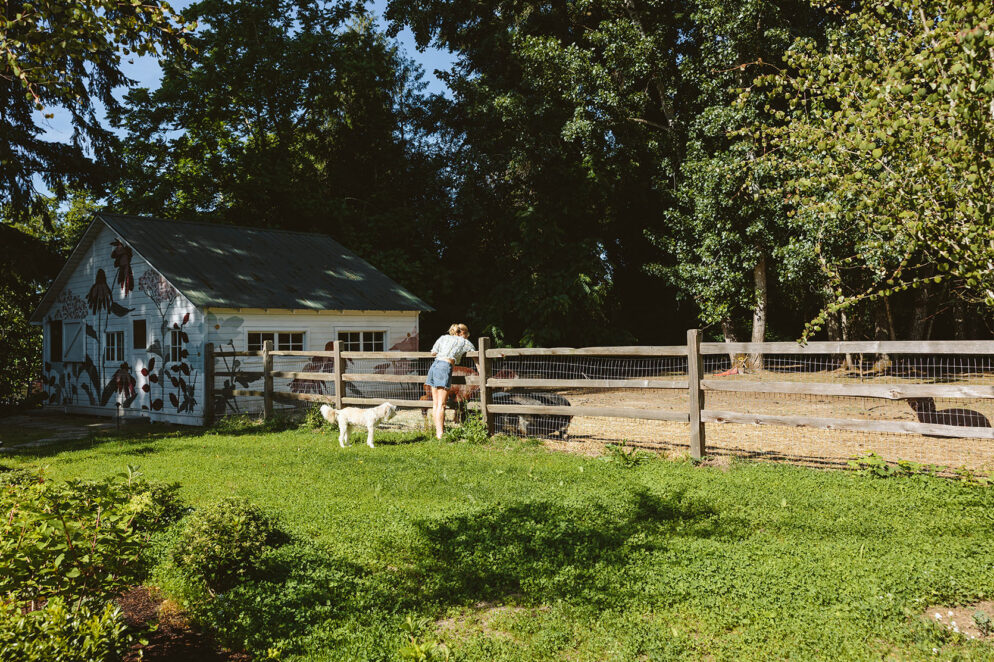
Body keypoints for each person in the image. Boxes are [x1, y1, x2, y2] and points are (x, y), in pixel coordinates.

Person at [426, 323, 475, 439]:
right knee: (442, 405)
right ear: (464, 334)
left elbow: (433, 352)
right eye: (467, 335)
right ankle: (440, 434)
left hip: (434, 366)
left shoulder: (443, 338)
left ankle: (438, 433)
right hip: (445, 366)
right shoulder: (465, 342)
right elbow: (474, 355)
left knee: (435, 404)